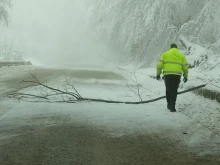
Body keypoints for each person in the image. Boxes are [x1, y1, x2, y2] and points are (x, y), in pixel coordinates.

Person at [156, 43, 188, 112]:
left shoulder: (165, 54)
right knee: (174, 90)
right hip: (177, 75)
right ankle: (172, 106)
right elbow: (185, 67)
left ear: (170, 48)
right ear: (177, 48)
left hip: (167, 75)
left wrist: (158, 74)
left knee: (168, 89)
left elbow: (159, 65)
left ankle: (168, 103)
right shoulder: (181, 55)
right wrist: (185, 76)